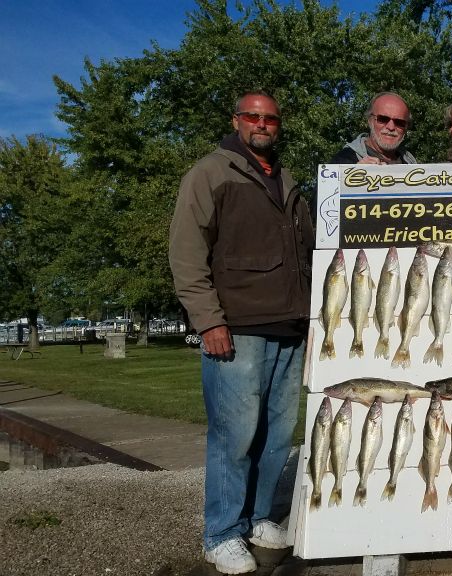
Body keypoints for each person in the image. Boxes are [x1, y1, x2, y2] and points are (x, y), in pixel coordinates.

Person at [169, 91, 314, 574]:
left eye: (271, 118)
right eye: (253, 116)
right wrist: (208, 320)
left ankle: (256, 518)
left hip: (290, 328)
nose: (262, 124)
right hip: (237, 328)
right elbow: (187, 253)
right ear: (236, 120)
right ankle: (221, 532)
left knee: (277, 435)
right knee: (234, 436)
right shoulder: (211, 173)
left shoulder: (288, 182)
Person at [329, 91, 418, 164]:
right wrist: (353, 175)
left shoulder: (410, 163)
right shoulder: (343, 161)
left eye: (399, 122)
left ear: (407, 127)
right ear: (370, 120)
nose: (391, 127)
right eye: (383, 119)